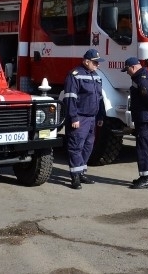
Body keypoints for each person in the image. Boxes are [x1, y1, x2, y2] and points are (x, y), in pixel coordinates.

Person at [62, 48, 106, 190]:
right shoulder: (74, 75)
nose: (97, 65)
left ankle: (81, 172)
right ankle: (75, 177)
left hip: (92, 118)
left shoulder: (97, 76)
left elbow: (100, 98)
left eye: (98, 63)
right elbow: (70, 99)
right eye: (95, 62)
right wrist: (74, 117)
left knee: (88, 146)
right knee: (76, 146)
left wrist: (100, 116)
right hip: (80, 117)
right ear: (86, 61)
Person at [122, 56, 148, 189]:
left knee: (144, 149)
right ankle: (144, 176)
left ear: (132, 68)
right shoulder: (145, 76)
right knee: (144, 147)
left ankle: (145, 179)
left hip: (145, 119)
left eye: (127, 70)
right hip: (146, 119)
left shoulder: (141, 79)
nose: (127, 73)